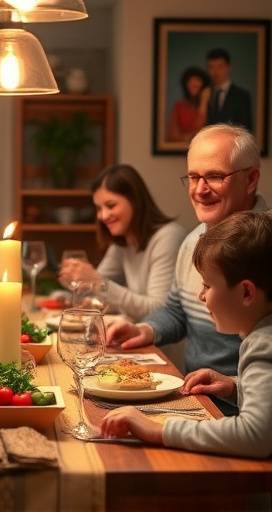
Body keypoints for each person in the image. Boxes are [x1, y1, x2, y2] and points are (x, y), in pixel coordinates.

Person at [106, 124, 268, 415]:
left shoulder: (267, 246)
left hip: (246, 414)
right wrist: (145, 329)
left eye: (215, 176)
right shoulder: (193, 240)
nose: (200, 190)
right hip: (196, 399)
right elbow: (176, 310)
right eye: (193, 177)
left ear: (251, 179)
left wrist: (234, 386)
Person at [100, 211, 272, 459]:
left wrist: (160, 430)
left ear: (246, 293)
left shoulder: (263, 345)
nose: (201, 296)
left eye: (207, 286)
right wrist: (235, 387)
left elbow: (256, 435)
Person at [59, 164, 186, 321]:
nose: (103, 216)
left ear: (135, 200)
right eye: (98, 208)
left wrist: (95, 280)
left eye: (111, 205)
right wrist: (75, 280)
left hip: (161, 344)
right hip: (135, 336)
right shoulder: (123, 242)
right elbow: (97, 291)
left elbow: (158, 310)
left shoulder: (168, 237)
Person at [206, 48, 252, 132]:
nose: (215, 72)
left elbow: (246, 129)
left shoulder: (241, 95)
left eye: (220, 66)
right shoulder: (205, 94)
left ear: (228, 67)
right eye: (211, 67)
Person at [167, 66, 211, 142]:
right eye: (190, 81)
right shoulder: (179, 106)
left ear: (204, 85)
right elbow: (172, 136)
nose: (193, 84)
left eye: (198, 80)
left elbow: (204, 132)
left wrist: (203, 102)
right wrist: (189, 137)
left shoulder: (211, 106)